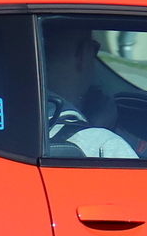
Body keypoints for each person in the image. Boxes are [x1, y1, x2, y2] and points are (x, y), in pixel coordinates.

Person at [41, 26, 140, 158]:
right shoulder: (105, 147)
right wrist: (95, 133)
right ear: (83, 53)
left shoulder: (8, 120)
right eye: (94, 50)